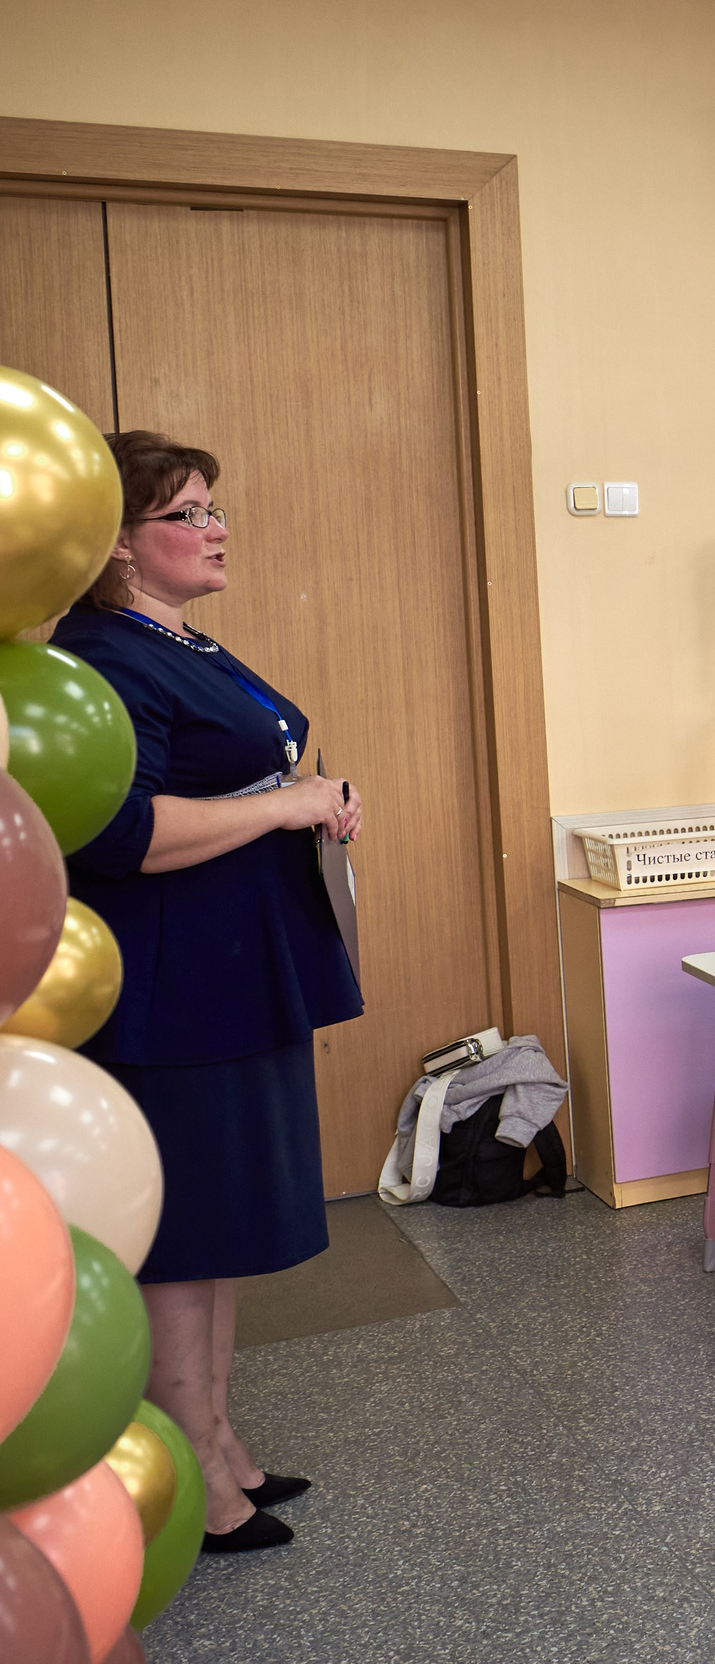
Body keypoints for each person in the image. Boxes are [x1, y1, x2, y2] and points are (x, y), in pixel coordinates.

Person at [50, 432, 363, 1555]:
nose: (218, 526)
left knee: (221, 1227)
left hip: (234, 976)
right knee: (184, 1238)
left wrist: (308, 795)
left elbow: (241, 766)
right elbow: (122, 832)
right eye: (189, 511)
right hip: (175, 990)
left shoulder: (173, 639)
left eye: (213, 505)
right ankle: (195, 1476)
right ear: (120, 546)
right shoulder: (106, 653)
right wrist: (282, 807)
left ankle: (221, 1435)